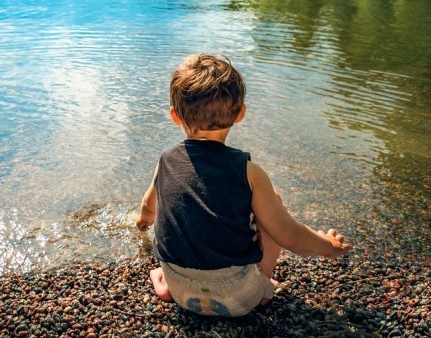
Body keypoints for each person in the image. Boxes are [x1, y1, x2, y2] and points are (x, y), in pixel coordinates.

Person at [136, 54, 351, 317]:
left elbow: (148, 207)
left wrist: (142, 222)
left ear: (175, 116)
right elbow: (289, 236)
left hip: (181, 291)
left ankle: (164, 282)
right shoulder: (249, 172)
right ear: (240, 114)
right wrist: (328, 246)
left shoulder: (166, 161)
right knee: (272, 201)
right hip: (239, 298)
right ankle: (264, 286)